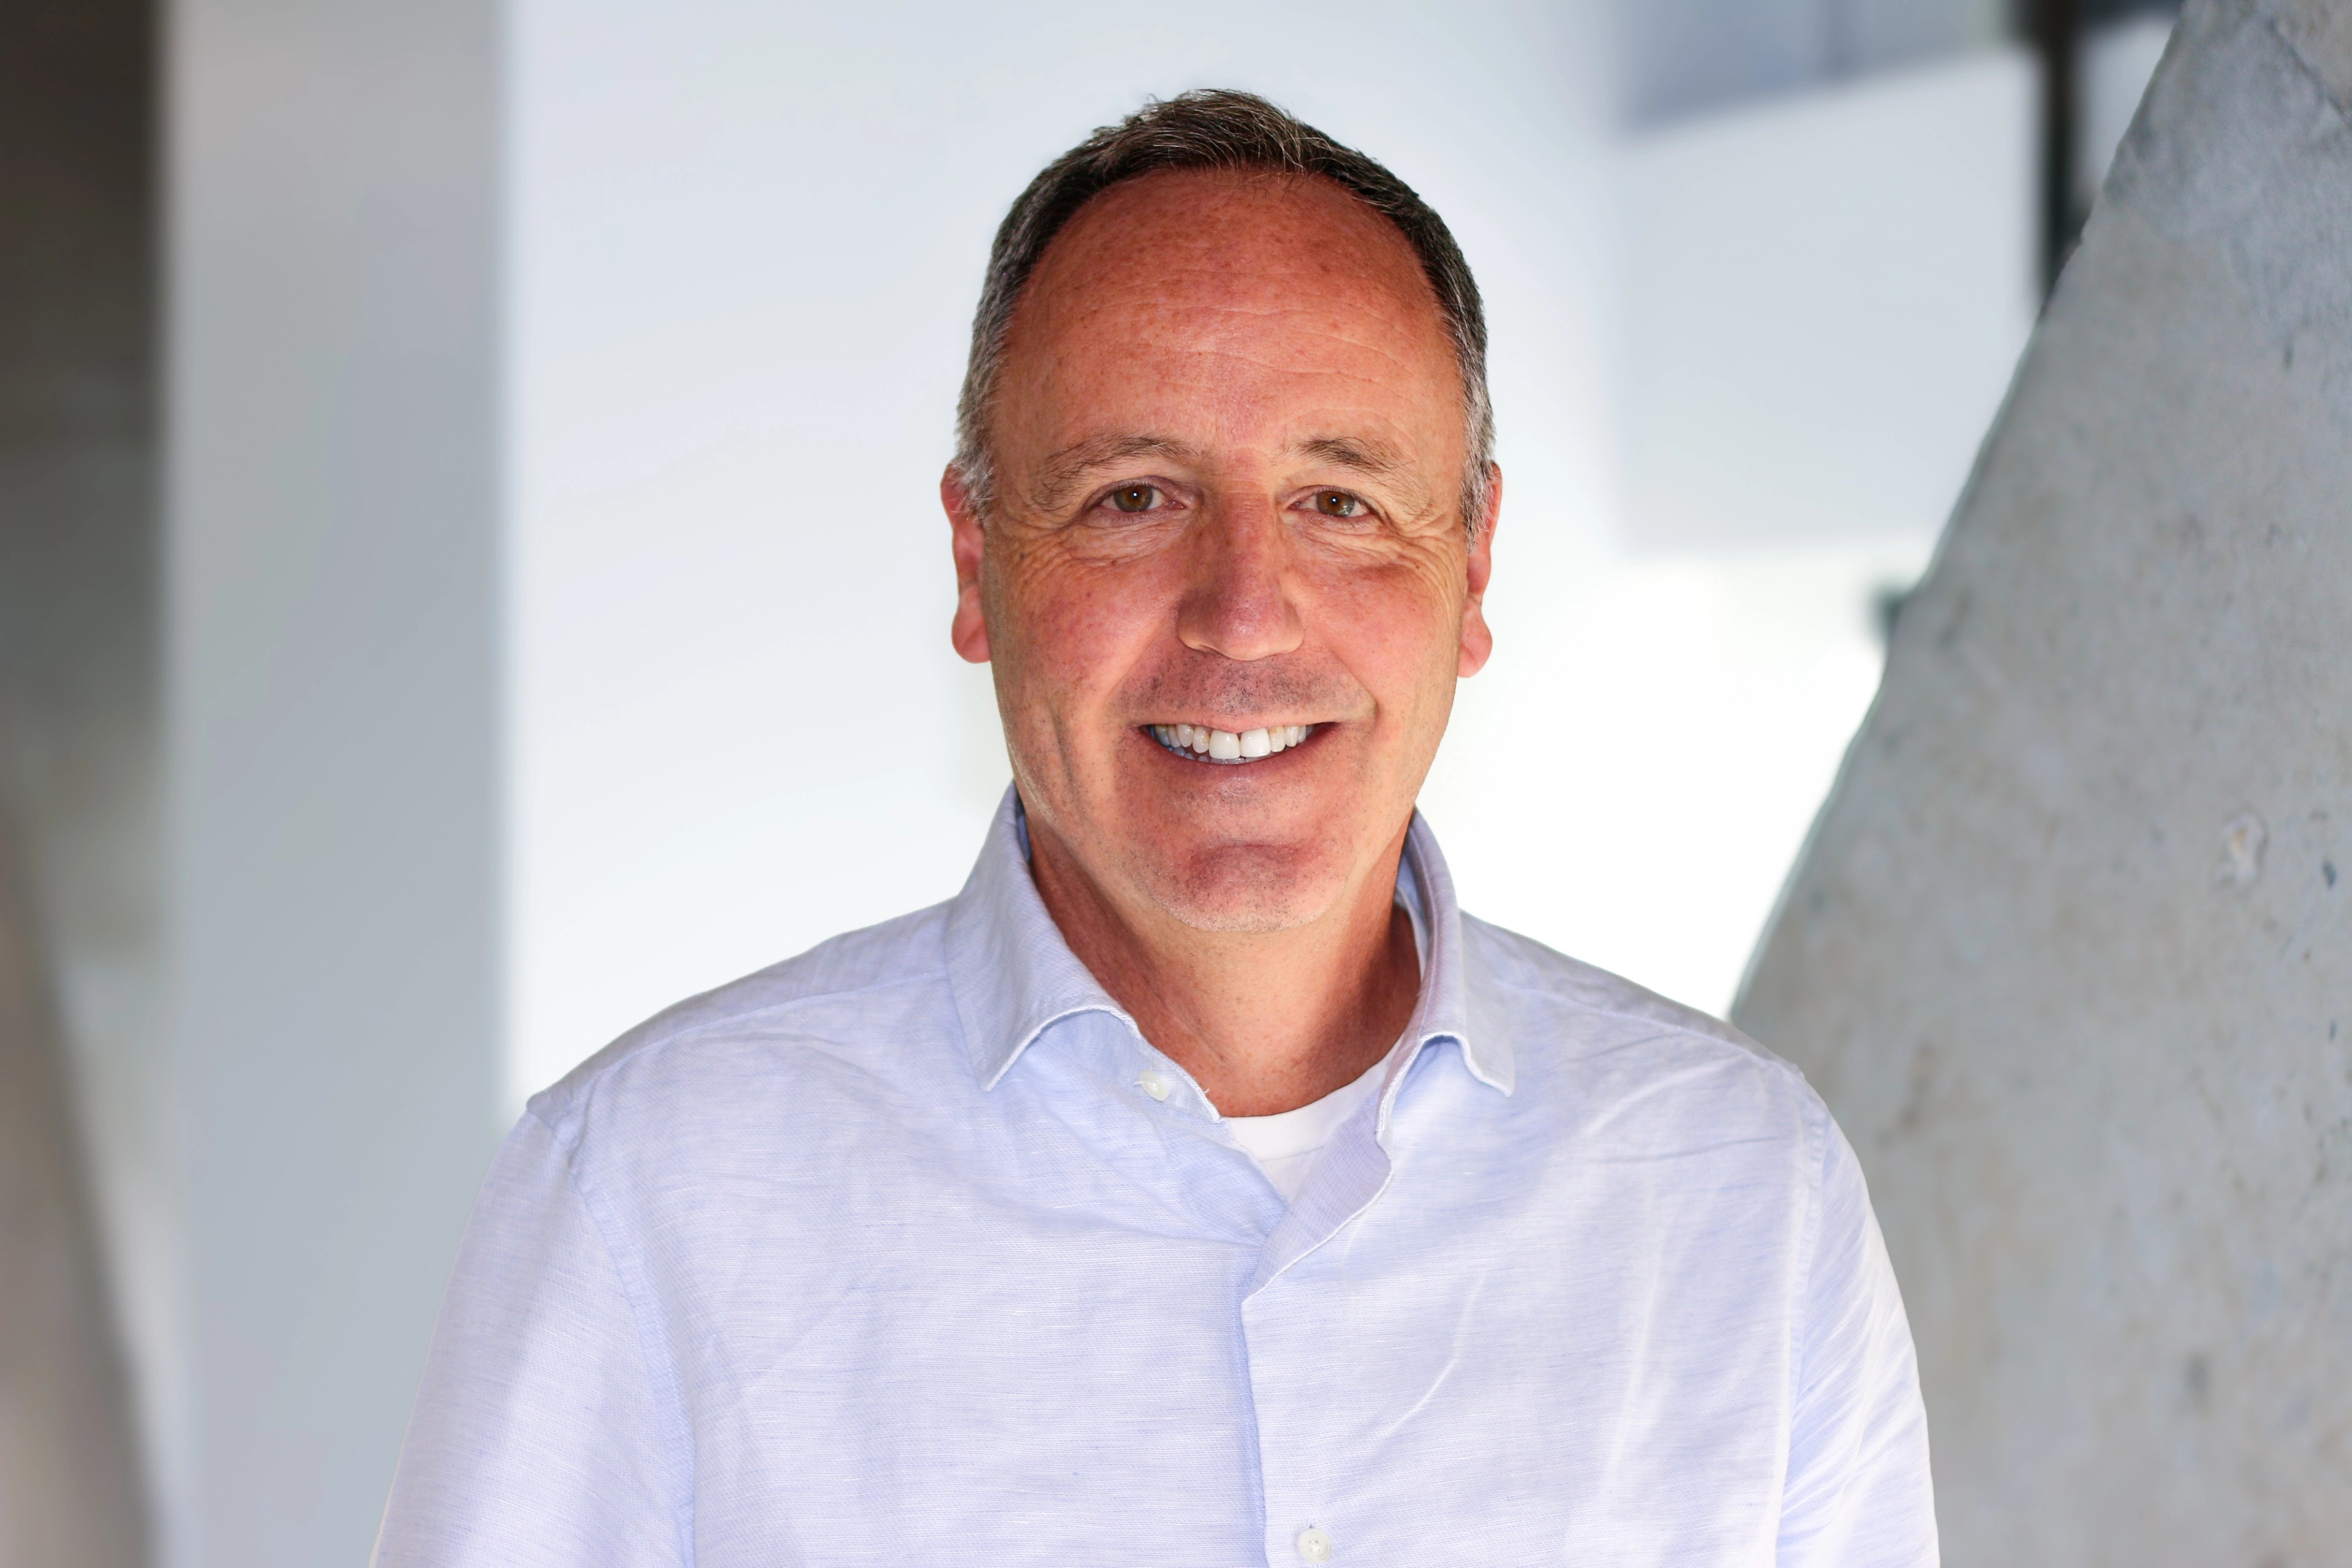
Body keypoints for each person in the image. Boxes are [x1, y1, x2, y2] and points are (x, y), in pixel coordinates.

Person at [374, 90, 1934, 1566]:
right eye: (1133, 496)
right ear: (980, 564)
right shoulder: (646, 1193)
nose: (1244, 613)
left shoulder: (1750, 1193)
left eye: (1343, 499)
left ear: (1472, 571)